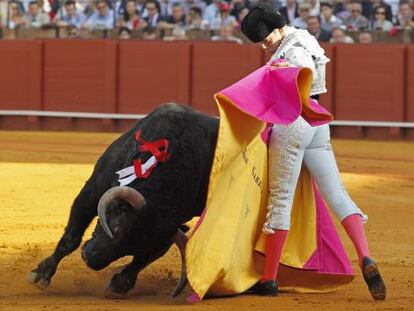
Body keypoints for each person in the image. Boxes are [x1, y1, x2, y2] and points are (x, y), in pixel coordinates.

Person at [239, 5, 386, 300]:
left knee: (280, 200)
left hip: (294, 123)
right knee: (338, 194)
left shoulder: (292, 51)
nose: (264, 46)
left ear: (278, 28)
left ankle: (268, 280)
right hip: (318, 124)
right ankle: (365, 256)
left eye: (266, 39)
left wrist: (287, 75)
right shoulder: (306, 37)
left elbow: (302, 69)